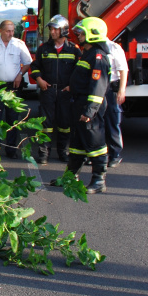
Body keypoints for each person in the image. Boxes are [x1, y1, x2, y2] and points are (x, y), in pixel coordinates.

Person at [52, 16, 111, 194]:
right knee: (77, 144)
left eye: (82, 33)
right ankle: (70, 178)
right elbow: (85, 78)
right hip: (79, 103)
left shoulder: (98, 56)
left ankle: (99, 180)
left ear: (93, 34)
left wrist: (90, 111)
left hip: (89, 107)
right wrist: (73, 86)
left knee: (95, 143)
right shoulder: (88, 52)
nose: (78, 35)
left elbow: (98, 87)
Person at [29, 15, 81, 165]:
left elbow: (80, 71)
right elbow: (35, 67)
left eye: (55, 29)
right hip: (48, 91)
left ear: (63, 30)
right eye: (51, 29)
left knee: (65, 124)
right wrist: (39, 80)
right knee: (45, 124)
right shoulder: (43, 49)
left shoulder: (73, 50)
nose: (52, 32)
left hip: (65, 92)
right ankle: (43, 153)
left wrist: (72, 86)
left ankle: (63, 152)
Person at [0, 19, 33, 158]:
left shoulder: (19, 44)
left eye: (12, 31)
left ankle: (11, 149)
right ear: (1, 30)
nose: (11, 33)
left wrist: (20, 74)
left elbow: (28, 62)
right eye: (8, 31)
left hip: (13, 86)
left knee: (12, 120)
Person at [104, 38, 128, 168]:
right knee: (97, 122)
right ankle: (99, 155)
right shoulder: (93, 48)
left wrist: (121, 90)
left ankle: (115, 155)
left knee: (112, 121)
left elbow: (123, 69)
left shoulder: (113, 47)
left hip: (111, 87)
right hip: (98, 86)